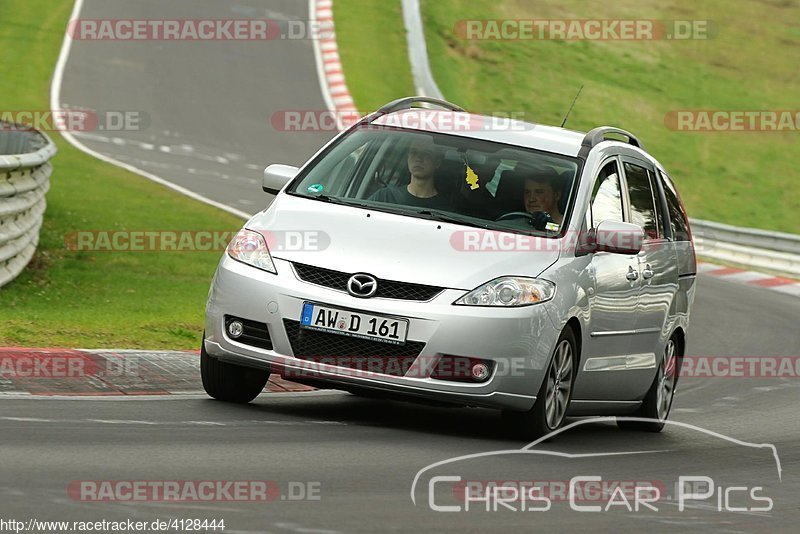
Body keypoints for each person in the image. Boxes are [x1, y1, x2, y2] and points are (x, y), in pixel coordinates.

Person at [369, 137, 451, 209]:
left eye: (426, 154)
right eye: (414, 152)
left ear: (437, 163)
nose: (418, 158)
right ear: (408, 158)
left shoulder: (446, 208)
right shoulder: (384, 198)